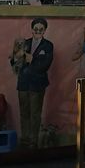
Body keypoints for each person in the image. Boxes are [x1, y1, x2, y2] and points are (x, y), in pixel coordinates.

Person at [13, 18, 54, 150]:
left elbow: (45, 65)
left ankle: (33, 141)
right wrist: (15, 57)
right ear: (31, 29)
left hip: (37, 84)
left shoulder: (48, 45)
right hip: (23, 83)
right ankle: (25, 139)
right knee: (24, 112)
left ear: (44, 31)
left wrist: (32, 60)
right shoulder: (24, 43)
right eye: (35, 29)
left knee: (35, 113)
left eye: (40, 29)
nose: (38, 31)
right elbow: (14, 64)